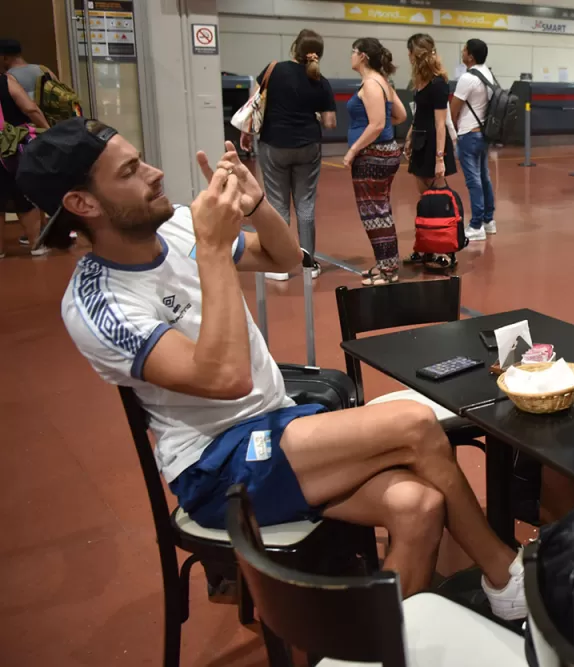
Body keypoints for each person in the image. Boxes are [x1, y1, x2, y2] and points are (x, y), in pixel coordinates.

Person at [16, 117, 528, 619]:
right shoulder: (99, 304)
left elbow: (284, 256)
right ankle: (506, 577)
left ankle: (382, 648)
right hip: (216, 466)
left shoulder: (175, 224)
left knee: (418, 506)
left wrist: (257, 204)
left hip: (278, 425)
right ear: (83, 204)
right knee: (414, 425)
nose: (153, 173)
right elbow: (225, 379)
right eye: (129, 171)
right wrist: (214, 247)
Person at [244, 29, 336, 282]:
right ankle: (310, 264)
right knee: (305, 206)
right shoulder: (321, 82)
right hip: (308, 146)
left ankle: (281, 265)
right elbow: (329, 122)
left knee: (278, 205)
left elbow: (254, 103)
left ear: (295, 47)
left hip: (274, 145)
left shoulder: (273, 71)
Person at [344, 37, 407, 285]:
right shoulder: (383, 83)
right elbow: (400, 115)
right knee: (380, 211)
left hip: (373, 155)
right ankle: (385, 264)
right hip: (383, 153)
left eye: (353, 51)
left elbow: (378, 123)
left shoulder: (371, 84)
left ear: (363, 57)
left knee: (375, 213)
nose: (350, 56)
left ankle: (389, 270)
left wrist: (353, 150)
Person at [404, 33, 459, 271]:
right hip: (419, 142)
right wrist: (409, 136)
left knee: (439, 199)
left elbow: (440, 124)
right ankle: (425, 247)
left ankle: (447, 250)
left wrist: (440, 159)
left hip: (434, 146)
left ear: (415, 54)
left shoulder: (438, 83)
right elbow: (419, 116)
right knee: (423, 199)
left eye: (409, 52)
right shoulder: (419, 81)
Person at [451, 38, 498, 244]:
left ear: (470, 55)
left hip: (468, 133)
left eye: (464, 50)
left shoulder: (467, 78)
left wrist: (454, 133)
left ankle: (476, 225)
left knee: (474, 181)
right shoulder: (489, 74)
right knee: (484, 178)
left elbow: (454, 109)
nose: (462, 52)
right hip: (484, 133)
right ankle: (489, 220)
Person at [0, 70, 49, 259]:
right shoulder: (5, 82)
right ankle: (36, 245)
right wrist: (48, 130)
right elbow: (30, 109)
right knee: (24, 195)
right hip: (11, 148)